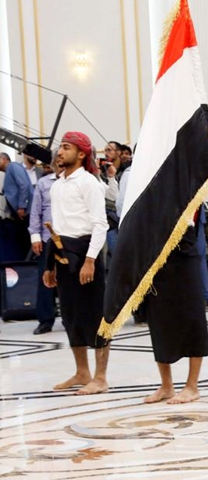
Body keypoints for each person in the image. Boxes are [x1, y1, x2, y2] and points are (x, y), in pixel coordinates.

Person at [42, 132, 110, 395]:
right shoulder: (57, 184)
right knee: (71, 315)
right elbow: (58, 226)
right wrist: (50, 265)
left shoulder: (89, 183)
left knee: (95, 315)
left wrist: (91, 260)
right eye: (60, 147)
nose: (60, 152)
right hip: (62, 253)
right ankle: (82, 372)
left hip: (85, 254)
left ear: (81, 154)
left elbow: (100, 224)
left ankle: (101, 377)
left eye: (66, 148)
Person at [137, 190, 208, 405]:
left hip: (183, 248)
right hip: (154, 250)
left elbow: (207, 190)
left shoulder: (186, 175)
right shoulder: (151, 174)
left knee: (192, 318)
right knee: (158, 317)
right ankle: (166, 385)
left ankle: (192, 386)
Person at [28, 160, 61, 335]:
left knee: (70, 280)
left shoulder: (76, 182)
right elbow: (35, 212)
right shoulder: (43, 183)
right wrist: (35, 237)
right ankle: (45, 320)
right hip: (48, 238)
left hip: (70, 237)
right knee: (45, 279)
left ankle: (72, 318)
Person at [0, 152, 34, 260]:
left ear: (5, 159)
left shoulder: (13, 166)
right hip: (15, 215)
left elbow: (24, 185)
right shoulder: (9, 171)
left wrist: (21, 206)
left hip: (21, 213)